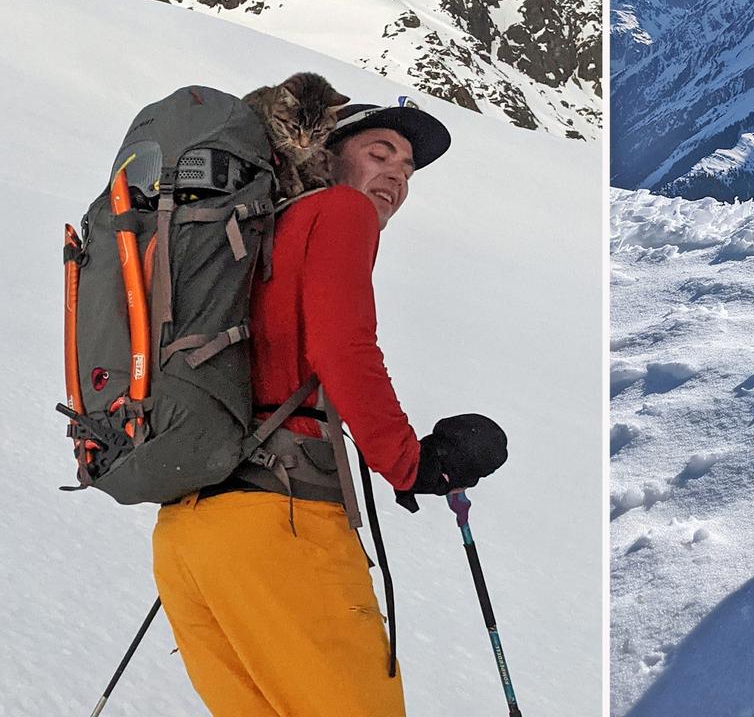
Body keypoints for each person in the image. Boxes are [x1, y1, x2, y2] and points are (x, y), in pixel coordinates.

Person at [151, 99, 507, 717]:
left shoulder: (253, 238)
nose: (397, 175)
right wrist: (411, 464)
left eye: (408, 170)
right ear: (325, 155)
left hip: (188, 533)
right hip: (282, 524)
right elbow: (344, 347)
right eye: (378, 153)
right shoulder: (337, 211)